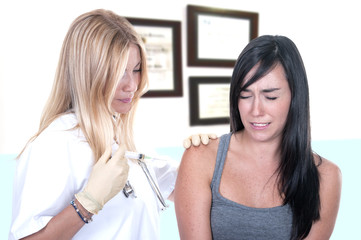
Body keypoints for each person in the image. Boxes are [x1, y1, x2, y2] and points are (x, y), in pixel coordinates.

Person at [9, 9, 206, 240]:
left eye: (137, 69)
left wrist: (204, 155)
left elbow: (184, 187)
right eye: (119, 73)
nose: (132, 85)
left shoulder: (126, 140)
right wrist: (86, 203)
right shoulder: (54, 143)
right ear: (88, 73)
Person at [174, 35, 342, 240]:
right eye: (245, 95)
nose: (256, 110)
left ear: (295, 96)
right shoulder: (200, 157)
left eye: (270, 96)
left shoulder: (326, 176)